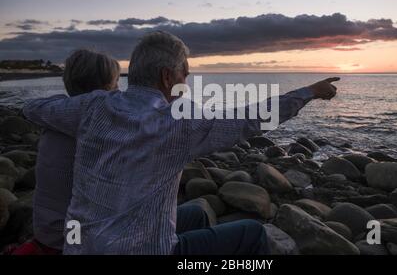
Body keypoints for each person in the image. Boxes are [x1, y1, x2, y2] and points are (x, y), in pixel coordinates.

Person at [22, 31, 340, 255]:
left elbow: (33, 108)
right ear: (166, 77)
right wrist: (309, 91)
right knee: (252, 233)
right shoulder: (179, 123)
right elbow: (253, 118)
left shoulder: (90, 106)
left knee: (199, 214)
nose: (187, 82)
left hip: (80, 247)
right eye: (185, 74)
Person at [11, 49, 121, 255]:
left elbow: (31, 107)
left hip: (47, 231)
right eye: (115, 82)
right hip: (71, 240)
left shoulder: (55, 115)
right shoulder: (101, 127)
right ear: (103, 88)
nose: (118, 89)